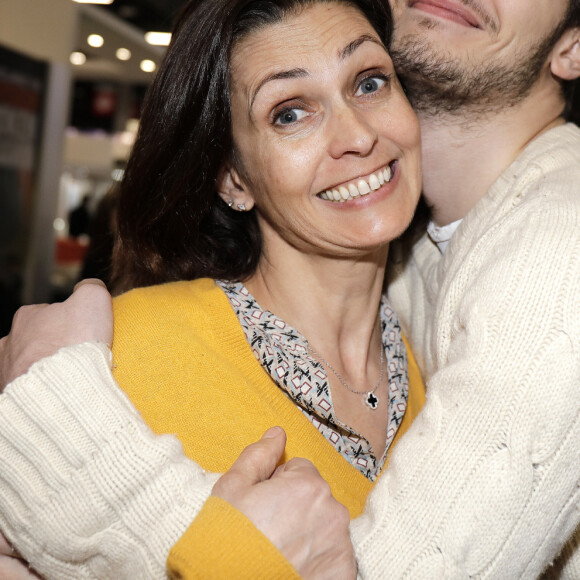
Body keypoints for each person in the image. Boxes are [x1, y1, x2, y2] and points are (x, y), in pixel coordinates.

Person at [1, 0, 580, 577]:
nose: (355, 136)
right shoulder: (122, 355)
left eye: (371, 82)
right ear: (234, 178)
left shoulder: (448, 347)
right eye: (289, 114)